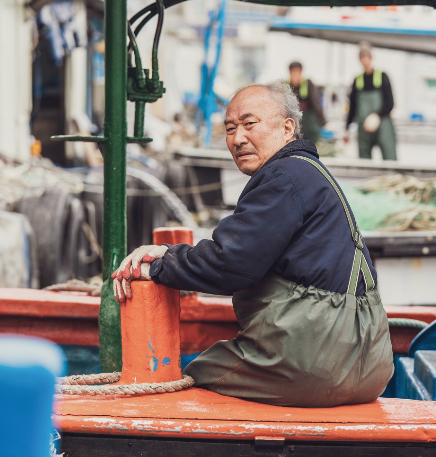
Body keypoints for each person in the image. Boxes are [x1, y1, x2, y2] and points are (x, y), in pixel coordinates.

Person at [111, 81, 393, 408]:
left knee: (195, 375)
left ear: (288, 128)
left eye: (249, 124)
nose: (237, 138)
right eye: (229, 128)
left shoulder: (282, 177)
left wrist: (160, 265)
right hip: (369, 368)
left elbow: (230, 263)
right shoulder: (312, 174)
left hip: (316, 366)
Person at [344, 43, 397, 160]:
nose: (364, 60)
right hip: (364, 127)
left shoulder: (382, 76)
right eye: (362, 58)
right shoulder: (357, 80)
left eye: (366, 57)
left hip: (383, 124)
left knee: (390, 157)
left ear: (371, 58)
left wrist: (376, 116)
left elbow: (390, 102)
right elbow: (352, 107)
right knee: (364, 158)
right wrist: (347, 129)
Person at [287, 61, 326, 143]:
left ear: (301, 72)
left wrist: (323, 122)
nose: (295, 75)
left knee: (313, 141)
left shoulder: (307, 83)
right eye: (293, 72)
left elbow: (316, 103)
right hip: (293, 119)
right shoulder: (286, 85)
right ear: (289, 72)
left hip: (309, 121)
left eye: (297, 72)